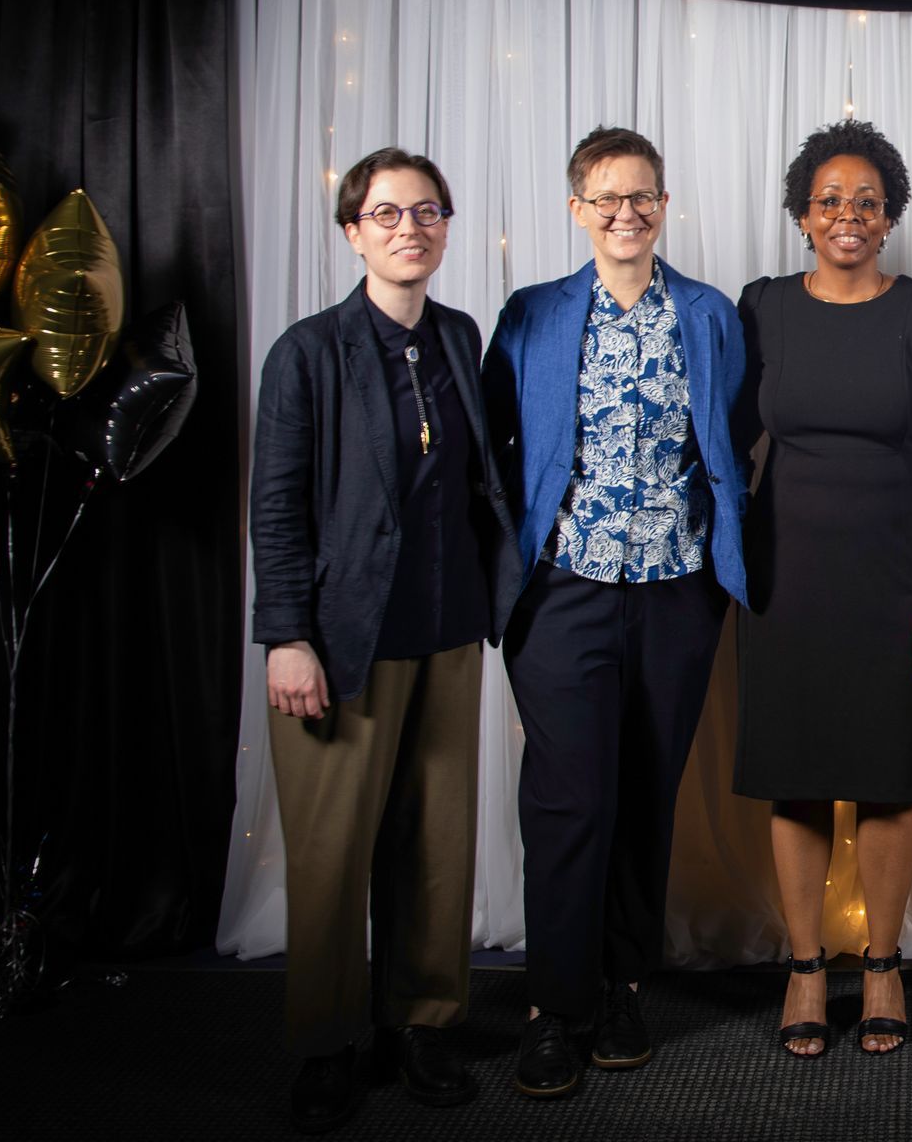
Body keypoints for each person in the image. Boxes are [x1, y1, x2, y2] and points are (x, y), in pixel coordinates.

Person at [251, 148, 519, 1133]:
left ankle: (421, 1025)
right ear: (353, 232)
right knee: (331, 856)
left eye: (428, 211)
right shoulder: (308, 352)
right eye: (388, 213)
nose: (411, 228)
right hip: (341, 644)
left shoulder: (458, 334)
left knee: (437, 847)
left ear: (446, 227)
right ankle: (328, 1042)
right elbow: (276, 506)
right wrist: (286, 634)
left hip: (447, 632)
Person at [482, 126, 749, 1098]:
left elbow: (733, 438)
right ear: (577, 210)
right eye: (607, 198)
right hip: (564, 592)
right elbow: (495, 447)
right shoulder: (533, 314)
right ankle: (555, 1008)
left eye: (643, 197)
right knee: (570, 798)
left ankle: (624, 985)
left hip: (677, 593)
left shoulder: (711, 315)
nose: (626, 214)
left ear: (664, 206)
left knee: (644, 792)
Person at [733, 119, 912, 1057]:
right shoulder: (762, 309)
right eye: (829, 199)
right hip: (784, 579)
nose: (848, 214)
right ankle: (804, 968)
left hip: (895, 579)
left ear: (890, 217)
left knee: (888, 778)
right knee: (794, 779)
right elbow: (724, 442)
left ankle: (881, 963)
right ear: (802, 214)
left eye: (867, 202)